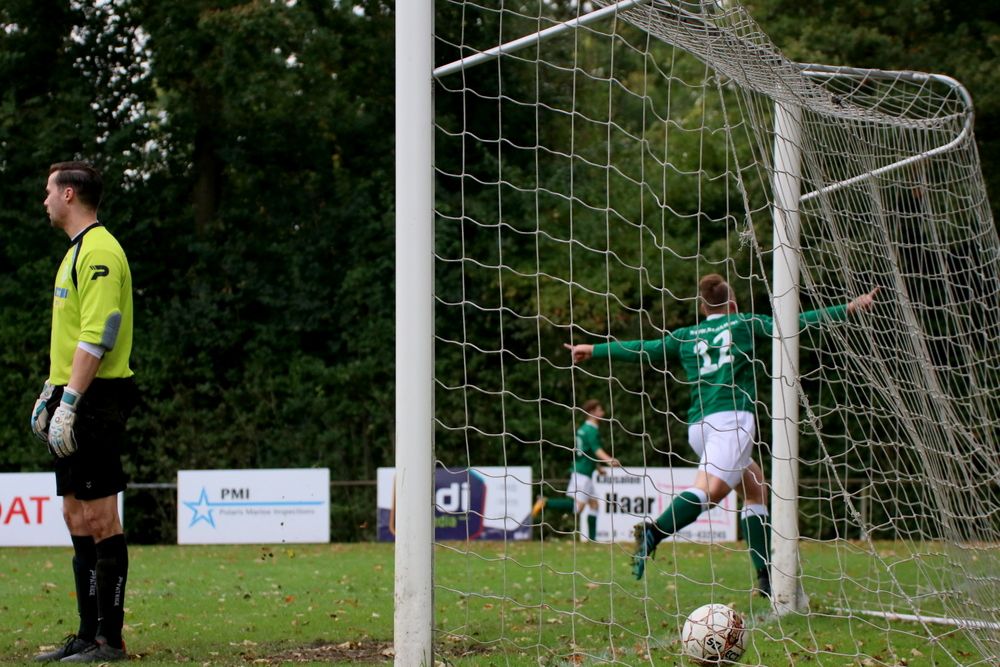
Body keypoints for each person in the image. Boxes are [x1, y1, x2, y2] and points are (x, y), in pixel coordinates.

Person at [564, 274, 877, 593]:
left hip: (699, 426)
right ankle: (654, 531)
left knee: (755, 488)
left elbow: (645, 349)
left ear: (702, 308)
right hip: (731, 422)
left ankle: (765, 577)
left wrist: (594, 349)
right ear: (732, 303)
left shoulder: (687, 334)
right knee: (710, 493)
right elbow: (795, 322)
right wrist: (849, 306)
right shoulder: (743, 323)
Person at [30, 161, 136, 663]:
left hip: (96, 398)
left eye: (48, 192)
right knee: (74, 512)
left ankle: (109, 640)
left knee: (100, 516)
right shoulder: (75, 252)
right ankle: (86, 632)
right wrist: (49, 393)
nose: (44, 200)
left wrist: (70, 403)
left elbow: (99, 335)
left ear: (69, 194)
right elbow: (73, 337)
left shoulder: (98, 252)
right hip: (72, 394)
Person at [532, 399, 620, 541]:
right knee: (577, 507)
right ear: (592, 412)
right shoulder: (591, 430)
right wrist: (609, 460)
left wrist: (598, 467)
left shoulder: (583, 429)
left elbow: (587, 451)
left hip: (584, 470)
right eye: (600, 410)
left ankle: (592, 540)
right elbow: (596, 450)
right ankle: (545, 502)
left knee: (594, 504)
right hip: (582, 474)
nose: (602, 413)